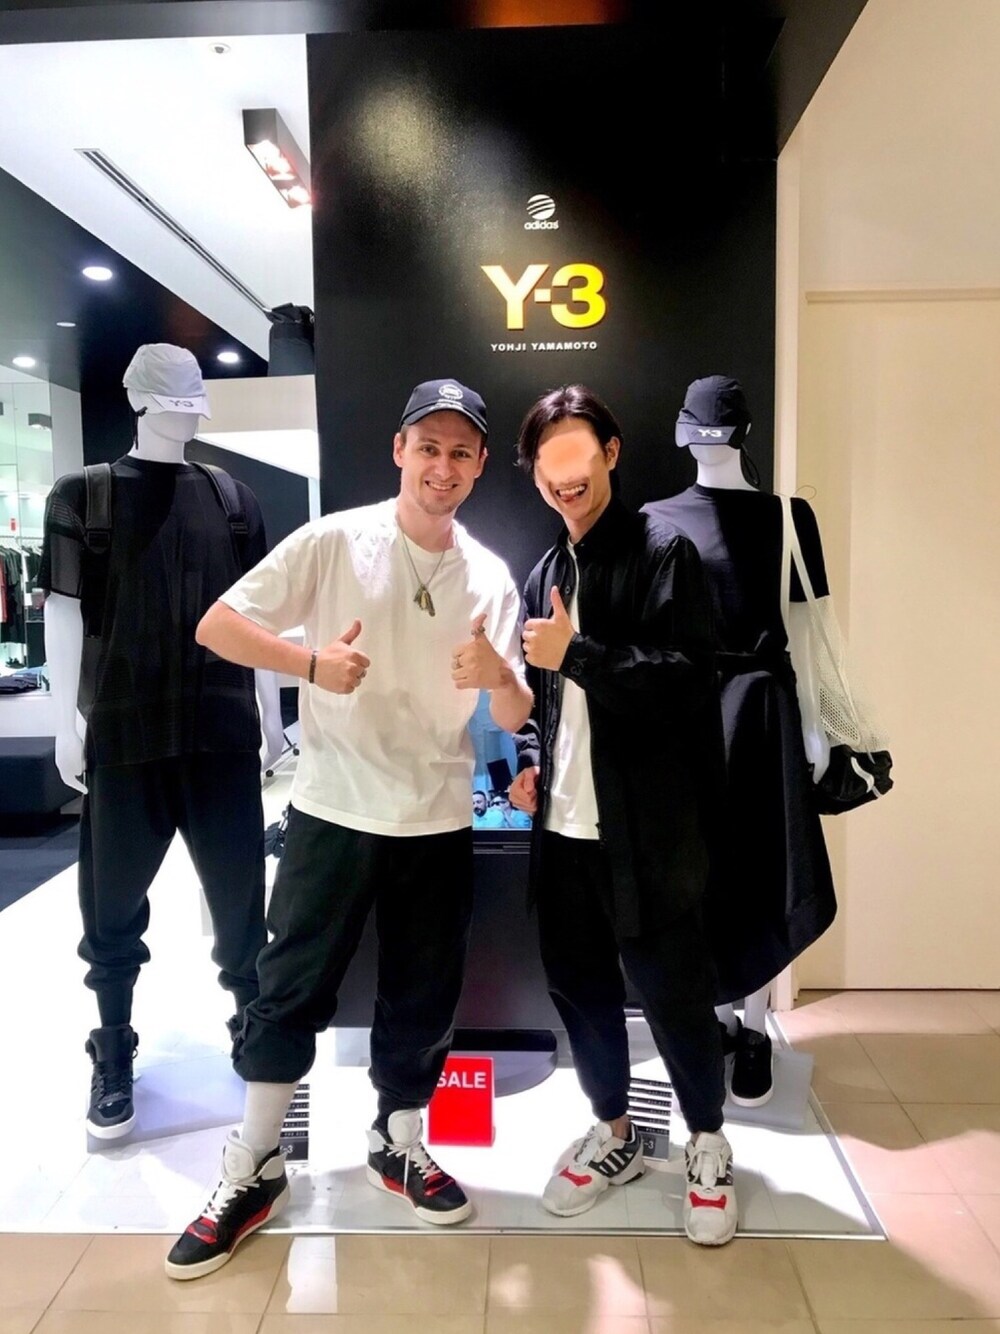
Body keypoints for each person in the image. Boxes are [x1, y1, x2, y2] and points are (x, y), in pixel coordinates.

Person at [165, 377, 531, 1279]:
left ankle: (396, 1142)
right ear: (400, 450)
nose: (442, 466)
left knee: (424, 992)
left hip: (437, 816)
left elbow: (516, 711)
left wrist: (497, 675)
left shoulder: (488, 574)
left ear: (480, 465)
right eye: (428, 447)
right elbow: (217, 626)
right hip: (333, 807)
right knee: (289, 986)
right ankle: (253, 1163)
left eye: (460, 452)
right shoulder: (334, 540)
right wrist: (309, 664)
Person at [509, 383, 737, 1247]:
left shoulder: (663, 551)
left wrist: (581, 652)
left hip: (648, 832)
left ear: (610, 453)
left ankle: (707, 1144)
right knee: (581, 995)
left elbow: (687, 682)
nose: (564, 479)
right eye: (548, 463)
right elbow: (546, 707)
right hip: (563, 832)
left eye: (579, 457)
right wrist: (533, 764)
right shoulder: (545, 571)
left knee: (676, 996)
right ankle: (615, 1134)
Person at [40, 343, 283, 1140]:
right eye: (172, 403)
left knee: (241, 906)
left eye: (191, 404)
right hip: (126, 734)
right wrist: (64, 725)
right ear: (140, 402)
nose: (185, 418)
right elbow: (63, 610)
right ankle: (112, 1045)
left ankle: (253, 1029)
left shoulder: (233, 499)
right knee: (110, 910)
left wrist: (272, 717)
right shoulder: (84, 497)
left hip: (221, 736)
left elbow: (256, 617)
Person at [642, 374, 836, 1106]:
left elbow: (811, 631)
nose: (709, 448)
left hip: (763, 711)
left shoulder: (789, 517)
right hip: (686, 718)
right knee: (701, 874)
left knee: (763, 867)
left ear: (743, 435)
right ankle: (718, 1019)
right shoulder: (654, 518)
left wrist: (817, 723)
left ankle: (755, 1027)